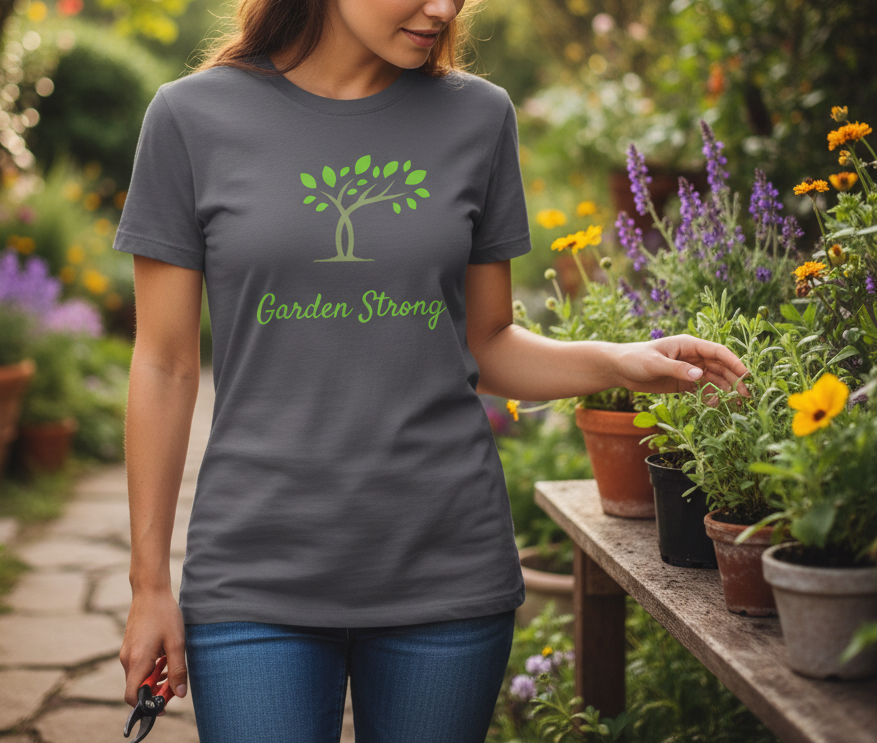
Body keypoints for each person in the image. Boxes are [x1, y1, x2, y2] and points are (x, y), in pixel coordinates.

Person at [116, 0, 752, 740]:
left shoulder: (477, 117)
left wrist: (624, 361)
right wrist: (149, 582)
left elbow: (487, 343)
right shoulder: (191, 119)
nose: (444, 7)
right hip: (255, 577)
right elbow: (164, 365)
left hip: (446, 578)